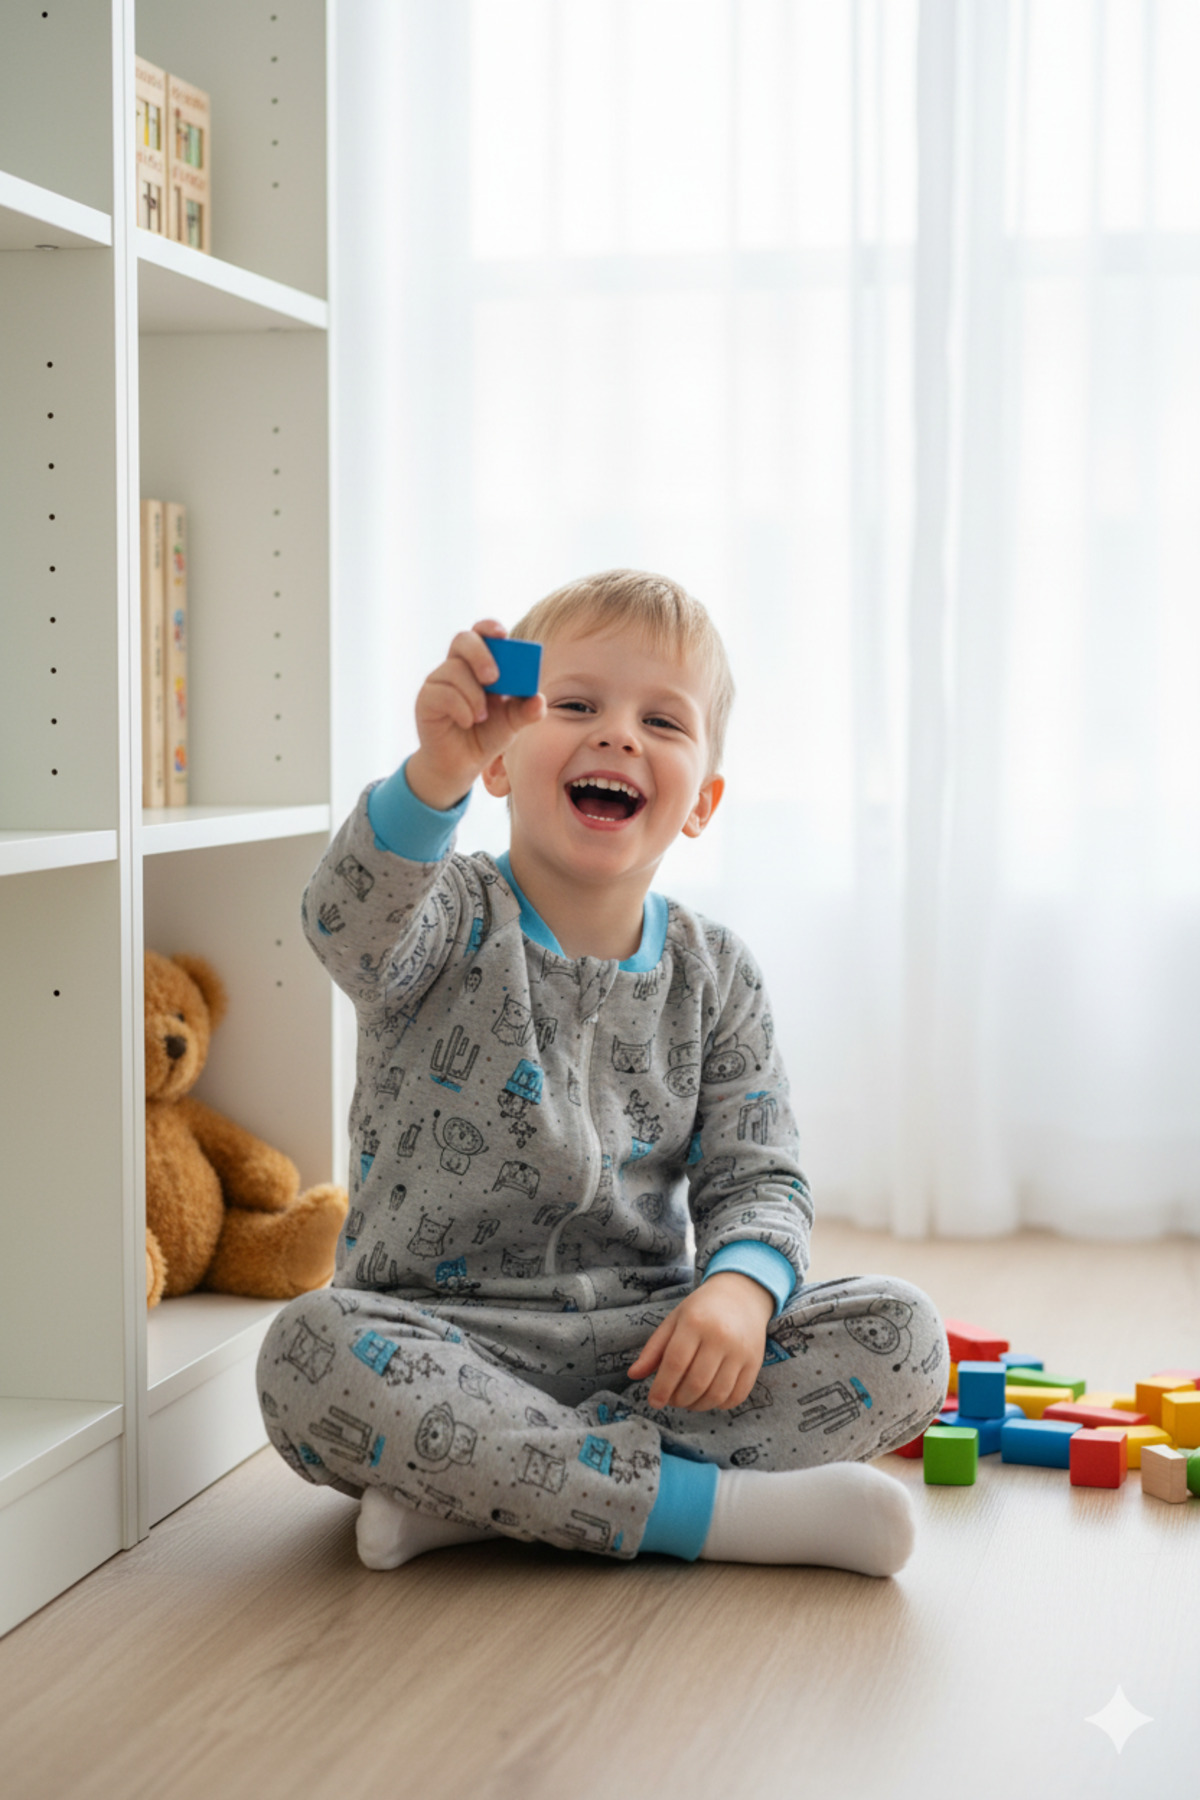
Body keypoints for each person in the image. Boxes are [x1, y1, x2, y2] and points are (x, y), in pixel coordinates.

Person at [257, 570, 947, 1576]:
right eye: (575, 706)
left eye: (661, 721)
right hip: (442, 1336)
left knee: (908, 1339)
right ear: (502, 763)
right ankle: (716, 1514)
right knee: (304, 1355)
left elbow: (761, 1175)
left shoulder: (717, 972)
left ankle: (483, 1493)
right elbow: (343, 927)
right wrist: (431, 775)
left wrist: (739, 1294)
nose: (618, 735)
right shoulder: (441, 913)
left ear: (703, 802)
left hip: (649, 1347)